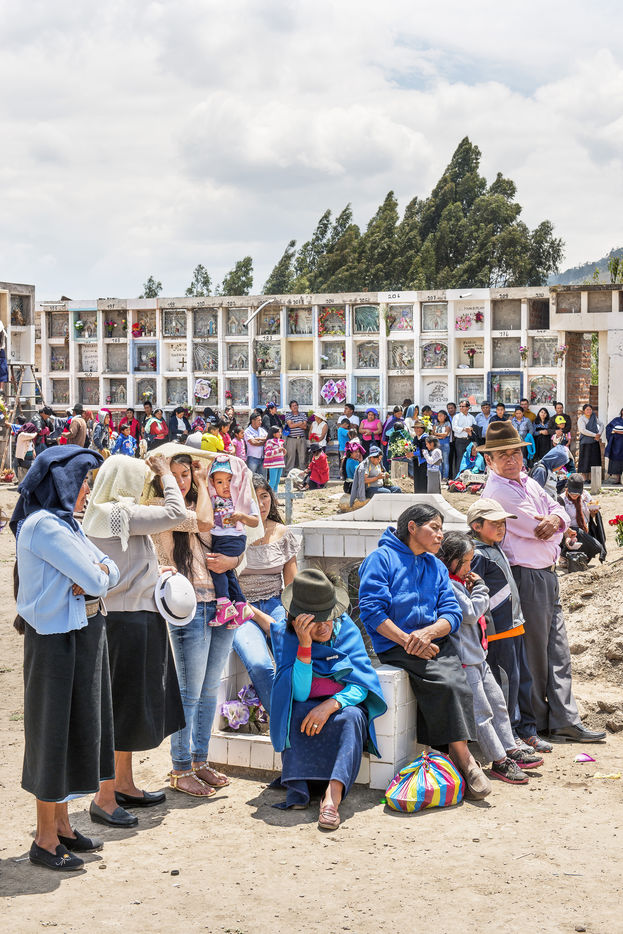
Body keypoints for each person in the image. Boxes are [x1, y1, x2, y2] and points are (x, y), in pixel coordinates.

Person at [11, 445, 120, 870]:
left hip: (81, 635)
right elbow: (97, 575)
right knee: (52, 733)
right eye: (83, 482)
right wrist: (96, 575)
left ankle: (62, 826)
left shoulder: (65, 524)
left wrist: (97, 575)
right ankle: (45, 838)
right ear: (63, 482)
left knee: (76, 729)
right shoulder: (44, 527)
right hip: (56, 642)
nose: (87, 491)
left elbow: (107, 570)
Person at [479, 421, 606, 743]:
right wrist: (556, 525)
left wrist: (556, 521)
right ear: (489, 460)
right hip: (526, 575)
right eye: (502, 455)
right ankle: (535, 722)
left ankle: (564, 719)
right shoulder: (499, 492)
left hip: (546, 572)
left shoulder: (526, 481)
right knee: (534, 653)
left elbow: (554, 510)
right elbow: (534, 529)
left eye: (515, 453)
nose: (511, 459)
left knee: (558, 650)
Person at [358, 504, 490, 799]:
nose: (441, 535)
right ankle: (465, 759)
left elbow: (452, 613)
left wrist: (428, 633)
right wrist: (408, 640)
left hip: (433, 640)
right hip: (395, 643)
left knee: (458, 682)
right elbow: (372, 611)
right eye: (435, 527)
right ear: (412, 527)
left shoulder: (436, 566)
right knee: (445, 682)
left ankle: (452, 757)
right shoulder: (381, 559)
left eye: (442, 529)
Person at [83, 454, 187, 825]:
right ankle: (105, 796)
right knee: (123, 709)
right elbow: (176, 513)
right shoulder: (121, 513)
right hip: (129, 622)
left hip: (122, 619)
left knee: (125, 708)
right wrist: (165, 472)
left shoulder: (100, 514)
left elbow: (125, 563)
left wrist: (153, 571)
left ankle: (122, 784)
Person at [148, 450, 247, 797]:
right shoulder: (163, 509)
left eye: (186, 474)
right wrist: (204, 481)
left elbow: (236, 543)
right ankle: (180, 768)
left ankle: (199, 761)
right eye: (173, 475)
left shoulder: (208, 503)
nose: (180, 481)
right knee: (189, 692)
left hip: (220, 604)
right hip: (188, 608)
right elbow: (203, 523)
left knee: (208, 690)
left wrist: (233, 560)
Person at [270, 569, 387, 829]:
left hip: (340, 706)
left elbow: (361, 685)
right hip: (305, 707)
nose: (324, 626)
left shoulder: (346, 630)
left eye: (329, 618)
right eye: (316, 621)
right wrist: (305, 647)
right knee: (294, 712)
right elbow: (298, 693)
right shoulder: (285, 636)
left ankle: (332, 798)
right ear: (298, 621)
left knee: (353, 717)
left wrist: (330, 705)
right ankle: (299, 787)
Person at [438, 531, 543, 784]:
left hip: (478, 656)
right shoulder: (449, 584)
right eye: (465, 562)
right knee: (482, 713)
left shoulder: (458, 582)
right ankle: (499, 760)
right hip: (466, 660)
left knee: (498, 704)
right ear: (451, 560)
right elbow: (471, 613)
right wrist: (481, 588)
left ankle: (510, 749)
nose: (469, 567)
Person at [467, 498, 552, 754]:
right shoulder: (476, 555)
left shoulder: (495, 548)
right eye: (494, 523)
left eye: (503, 523)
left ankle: (526, 731)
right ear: (476, 526)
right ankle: (509, 736)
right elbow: (475, 593)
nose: (501, 528)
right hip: (497, 632)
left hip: (514, 626)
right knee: (505, 683)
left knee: (521, 681)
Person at [234, 475, 300, 712]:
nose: (261, 504)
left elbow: (292, 586)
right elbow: (228, 587)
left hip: (276, 604)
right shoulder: (232, 532)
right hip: (240, 609)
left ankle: (296, 717)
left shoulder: (282, 532)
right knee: (260, 665)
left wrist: (290, 617)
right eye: (254, 498)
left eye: (264, 496)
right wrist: (260, 617)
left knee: (292, 660)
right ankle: (283, 723)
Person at [201, 454, 259, 627]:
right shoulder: (212, 499)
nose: (225, 485)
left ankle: (224, 603)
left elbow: (255, 521)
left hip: (234, 538)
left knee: (216, 568)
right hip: (219, 539)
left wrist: (242, 516)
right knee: (226, 572)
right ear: (212, 483)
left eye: (229, 480)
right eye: (219, 482)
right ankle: (241, 605)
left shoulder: (243, 498)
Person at [559, 474, 606, 566]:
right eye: (572, 493)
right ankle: (563, 555)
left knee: (597, 547)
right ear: (567, 488)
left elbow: (591, 516)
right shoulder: (561, 499)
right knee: (580, 534)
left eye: (577, 493)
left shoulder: (586, 496)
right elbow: (560, 522)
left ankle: (578, 556)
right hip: (567, 532)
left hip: (583, 531)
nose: (574, 495)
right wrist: (568, 532)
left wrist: (594, 511)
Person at [577, 404, 604, 482]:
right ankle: (584, 478)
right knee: (585, 460)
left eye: (590, 409)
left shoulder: (594, 417)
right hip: (585, 442)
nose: (589, 411)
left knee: (594, 460)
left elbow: (602, 425)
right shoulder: (581, 419)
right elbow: (583, 430)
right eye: (587, 409)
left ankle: (592, 479)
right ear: (584, 411)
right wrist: (595, 435)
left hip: (594, 441)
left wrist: (599, 434)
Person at [284, 401, 308, 472]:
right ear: (290, 408)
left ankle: (302, 472)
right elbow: (290, 426)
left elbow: (304, 427)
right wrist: (300, 423)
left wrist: (294, 423)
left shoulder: (303, 415)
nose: (295, 407)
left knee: (302, 456)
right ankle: (288, 471)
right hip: (291, 439)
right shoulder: (288, 415)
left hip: (301, 438)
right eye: (293, 406)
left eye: (296, 405)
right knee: (290, 456)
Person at [451, 401, 475, 470]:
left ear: (468, 408)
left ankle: (468, 473)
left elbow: (475, 426)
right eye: (460, 406)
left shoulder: (471, 417)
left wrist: (471, 429)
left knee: (469, 458)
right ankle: (459, 475)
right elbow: (454, 427)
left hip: (469, 440)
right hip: (460, 441)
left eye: (463, 406)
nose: (461, 408)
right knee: (460, 459)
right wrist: (464, 429)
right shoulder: (457, 416)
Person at [244, 410, 268, 475]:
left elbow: (268, 438)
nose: (261, 422)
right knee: (251, 477)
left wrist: (259, 439)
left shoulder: (262, 430)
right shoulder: (248, 431)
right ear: (253, 421)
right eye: (258, 420)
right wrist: (263, 441)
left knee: (263, 478)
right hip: (252, 458)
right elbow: (253, 443)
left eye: (261, 420)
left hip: (262, 458)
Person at [263, 425, 286, 491]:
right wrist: (278, 450)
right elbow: (267, 453)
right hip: (273, 465)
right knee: (272, 482)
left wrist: (283, 452)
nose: (280, 434)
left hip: (280, 464)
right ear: (273, 434)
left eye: (280, 432)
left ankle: (275, 495)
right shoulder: (270, 442)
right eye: (279, 432)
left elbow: (278, 453)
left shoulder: (280, 442)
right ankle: (270, 494)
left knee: (277, 482)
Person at [431, 409, 451, 479]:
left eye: (441, 416)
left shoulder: (447, 423)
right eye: (438, 416)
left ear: (445, 416)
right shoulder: (436, 424)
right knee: (438, 461)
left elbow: (445, 434)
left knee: (445, 461)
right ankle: (439, 477)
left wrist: (436, 434)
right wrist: (440, 436)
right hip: (437, 445)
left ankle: (445, 477)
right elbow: (432, 433)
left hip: (445, 444)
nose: (439, 417)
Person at [605, 408, 623, 484]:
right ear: (621, 411)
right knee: (617, 461)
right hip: (617, 444)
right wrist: (615, 431)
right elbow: (608, 428)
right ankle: (618, 479)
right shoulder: (616, 420)